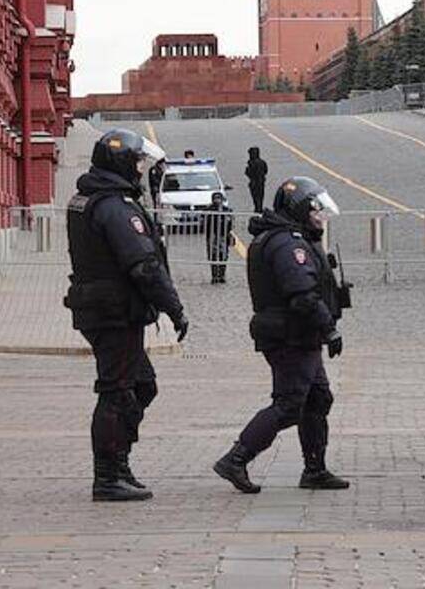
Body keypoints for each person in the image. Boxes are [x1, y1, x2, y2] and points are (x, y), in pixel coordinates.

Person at [64, 128, 189, 503]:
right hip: (113, 311)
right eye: (137, 161)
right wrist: (174, 308)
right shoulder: (114, 205)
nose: (140, 168)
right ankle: (107, 475)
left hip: (105, 307)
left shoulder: (92, 197)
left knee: (141, 386)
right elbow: (143, 264)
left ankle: (119, 463)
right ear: (121, 162)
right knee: (117, 390)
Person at [213, 176, 349, 494]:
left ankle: (315, 469)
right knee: (289, 404)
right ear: (301, 209)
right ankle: (236, 458)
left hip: (297, 333)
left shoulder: (287, 237)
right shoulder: (289, 244)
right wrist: (328, 328)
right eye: (317, 211)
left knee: (318, 399)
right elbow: (301, 294)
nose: (321, 218)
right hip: (291, 334)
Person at [204, 191, 235, 285]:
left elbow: (231, 224)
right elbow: (205, 223)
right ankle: (214, 276)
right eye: (215, 198)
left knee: (223, 256)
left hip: (223, 236)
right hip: (212, 236)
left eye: (219, 198)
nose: (217, 200)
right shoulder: (208, 210)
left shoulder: (227, 210)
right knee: (213, 256)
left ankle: (222, 275)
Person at [245, 147, 268, 213]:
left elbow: (249, 173)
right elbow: (266, 171)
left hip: (254, 183)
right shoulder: (263, 162)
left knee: (255, 197)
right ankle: (259, 207)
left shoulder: (251, 163)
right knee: (260, 196)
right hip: (261, 183)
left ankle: (257, 209)